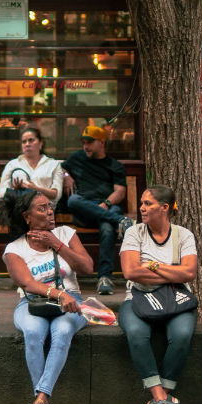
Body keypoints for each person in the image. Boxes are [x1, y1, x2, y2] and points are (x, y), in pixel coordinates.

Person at [0, 191, 94, 404]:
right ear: (27, 216)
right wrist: (59, 294)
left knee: (62, 331)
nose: (50, 212)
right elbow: (27, 284)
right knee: (34, 333)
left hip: (72, 302)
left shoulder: (66, 234)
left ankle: (39, 402)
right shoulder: (14, 249)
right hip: (32, 304)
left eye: (50, 207)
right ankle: (43, 403)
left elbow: (88, 268)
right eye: (42, 208)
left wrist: (57, 244)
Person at [119, 185, 198, 404]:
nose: (142, 208)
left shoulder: (184, 235)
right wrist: (171, 272)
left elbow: (189, 273)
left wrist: (150, 266)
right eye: (142, 203)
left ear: (164, 208)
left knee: (182, 335)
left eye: (148, 204)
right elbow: (131, 272)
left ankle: (160, 399)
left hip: (176, 301)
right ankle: (161, 399)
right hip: (137, 298)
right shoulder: (135, 233)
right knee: (136, 334)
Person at [61, 126, 133, 295]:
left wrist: (106, 204)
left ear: (102, 143)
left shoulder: (114, 165)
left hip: (106, 207)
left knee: (107, 228)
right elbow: (61, 167)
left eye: (90, 143)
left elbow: (120, 192)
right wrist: (67, 176)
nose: (86, 146)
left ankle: (104, 277)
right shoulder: (77, 158)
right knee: (74, 200)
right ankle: (121, 221)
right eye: (84, 143)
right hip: (85, 211)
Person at [0, 126, 63, 209]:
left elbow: (56, 195)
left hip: (45, 209)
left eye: (31, 140)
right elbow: (1, 192)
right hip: (20, 209)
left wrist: (35, 189)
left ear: (40, 143)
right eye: (24, 142)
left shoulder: (53, 164)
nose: (27, 144)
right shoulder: (12, 164)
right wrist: (15, 191)